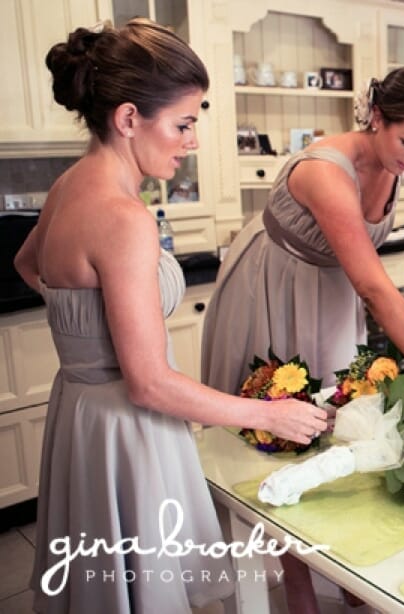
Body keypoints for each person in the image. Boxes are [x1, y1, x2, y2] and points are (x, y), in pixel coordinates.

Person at [16, 19, 327, 612]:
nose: (192, 140)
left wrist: (87, 343)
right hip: (126, 427)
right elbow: (150, 382)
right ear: (129, 119)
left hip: (80, 415)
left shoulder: (67, 188)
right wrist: (270, 414)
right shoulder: (122, 217)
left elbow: (27, 262)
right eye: (183, 123)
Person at [199, 64, 404, 613]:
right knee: (280, 437)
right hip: (273, 288)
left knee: (341, 424)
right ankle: (297, 584)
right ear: (376, 118)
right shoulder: (325, 170)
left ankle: (334, 561)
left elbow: (360, 274)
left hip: (331, 295)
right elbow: (373, 283)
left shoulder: (394, 162)